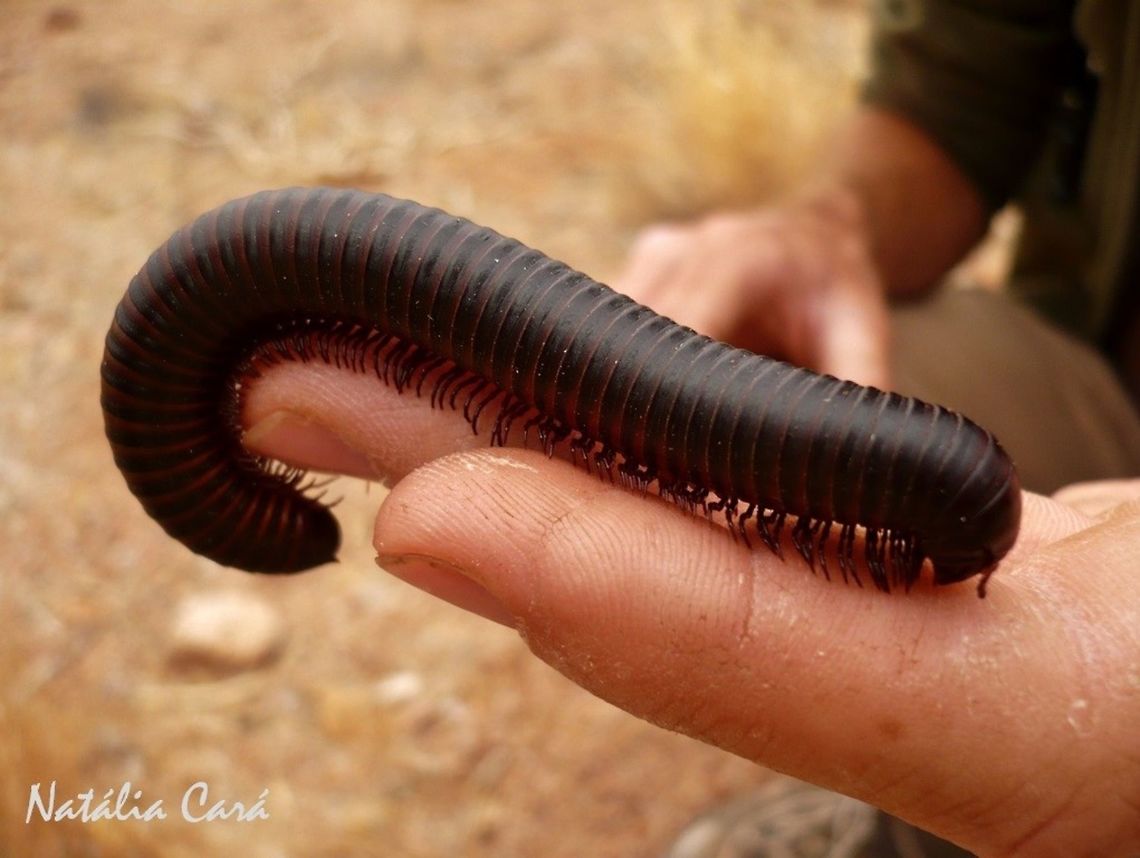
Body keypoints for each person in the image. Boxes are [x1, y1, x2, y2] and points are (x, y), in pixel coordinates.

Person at [239, 2, 1140, 854]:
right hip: (1082, 364)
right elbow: (960, 103)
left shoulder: (958, 500)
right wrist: (825, 221)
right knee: (805, 370)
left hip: (964, 482)